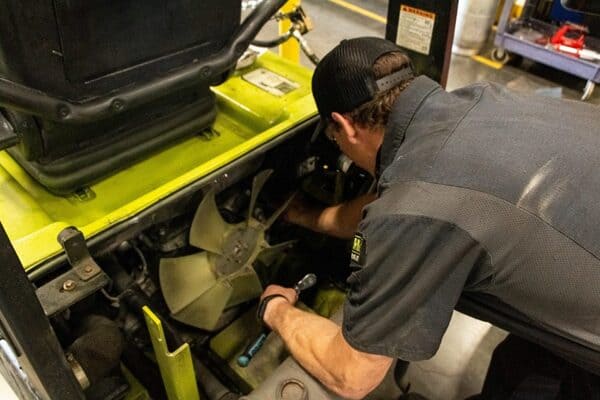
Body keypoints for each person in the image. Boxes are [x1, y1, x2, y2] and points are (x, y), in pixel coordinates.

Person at [259, 37, 600, 399]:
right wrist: (306, 216)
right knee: (517, 366)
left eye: (333, 137)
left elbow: (352, 374)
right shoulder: (480, 100)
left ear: (345, 126)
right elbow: (400, 198)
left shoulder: (416, 204)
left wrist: (276, 309)